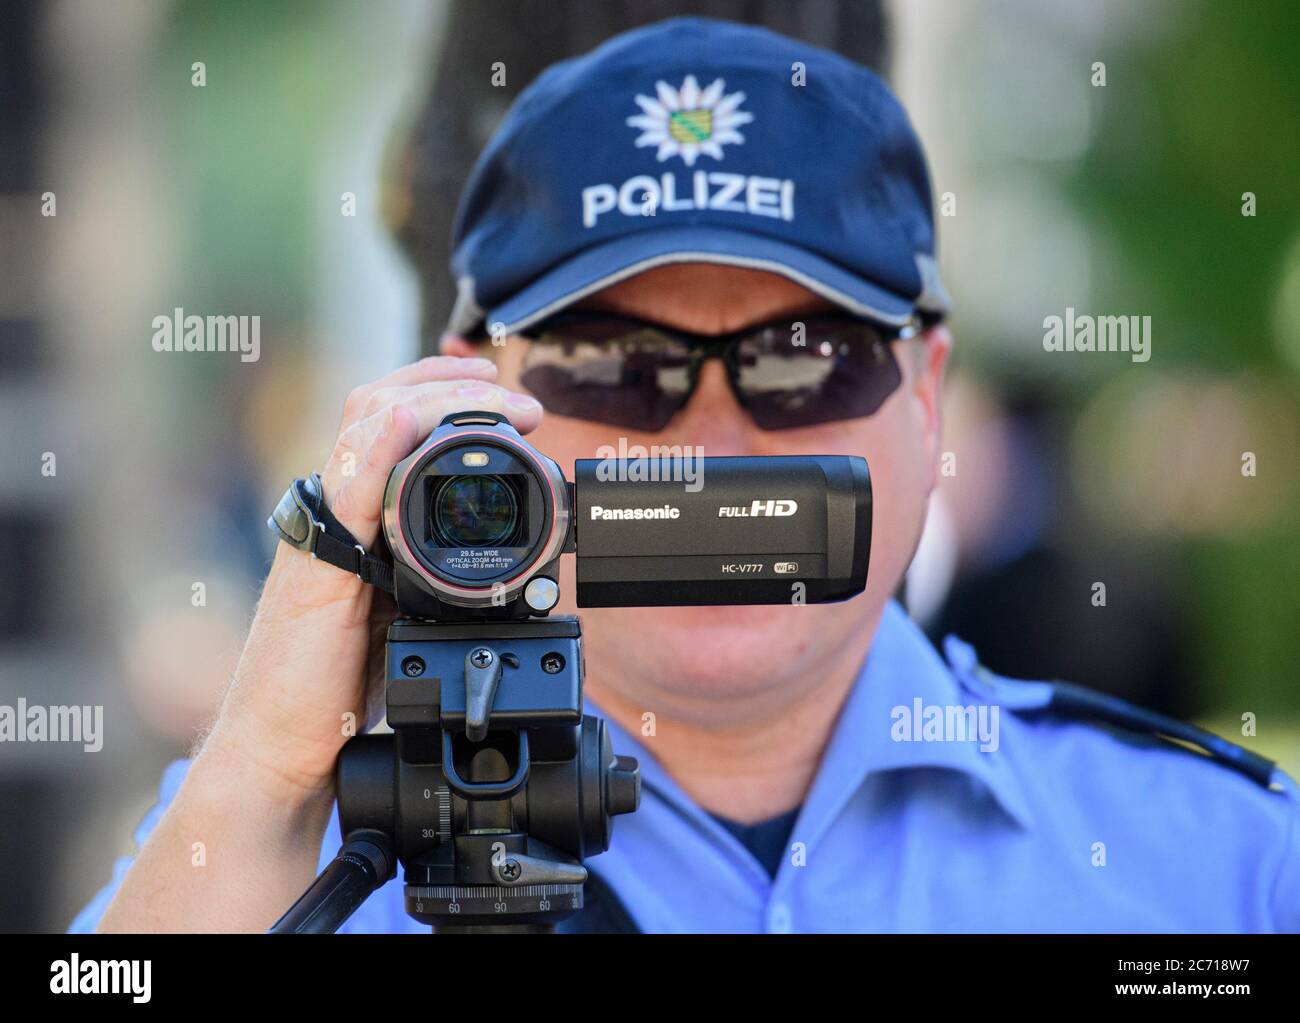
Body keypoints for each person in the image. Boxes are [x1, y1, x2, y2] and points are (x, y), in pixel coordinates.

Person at [73, 17, 1298, 934]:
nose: (708, 434)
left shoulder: (1217, 864)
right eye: (611, 362)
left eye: (800, 358)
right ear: (464, 402)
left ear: (924, 399)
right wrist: (269, 765)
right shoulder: (275, 852)